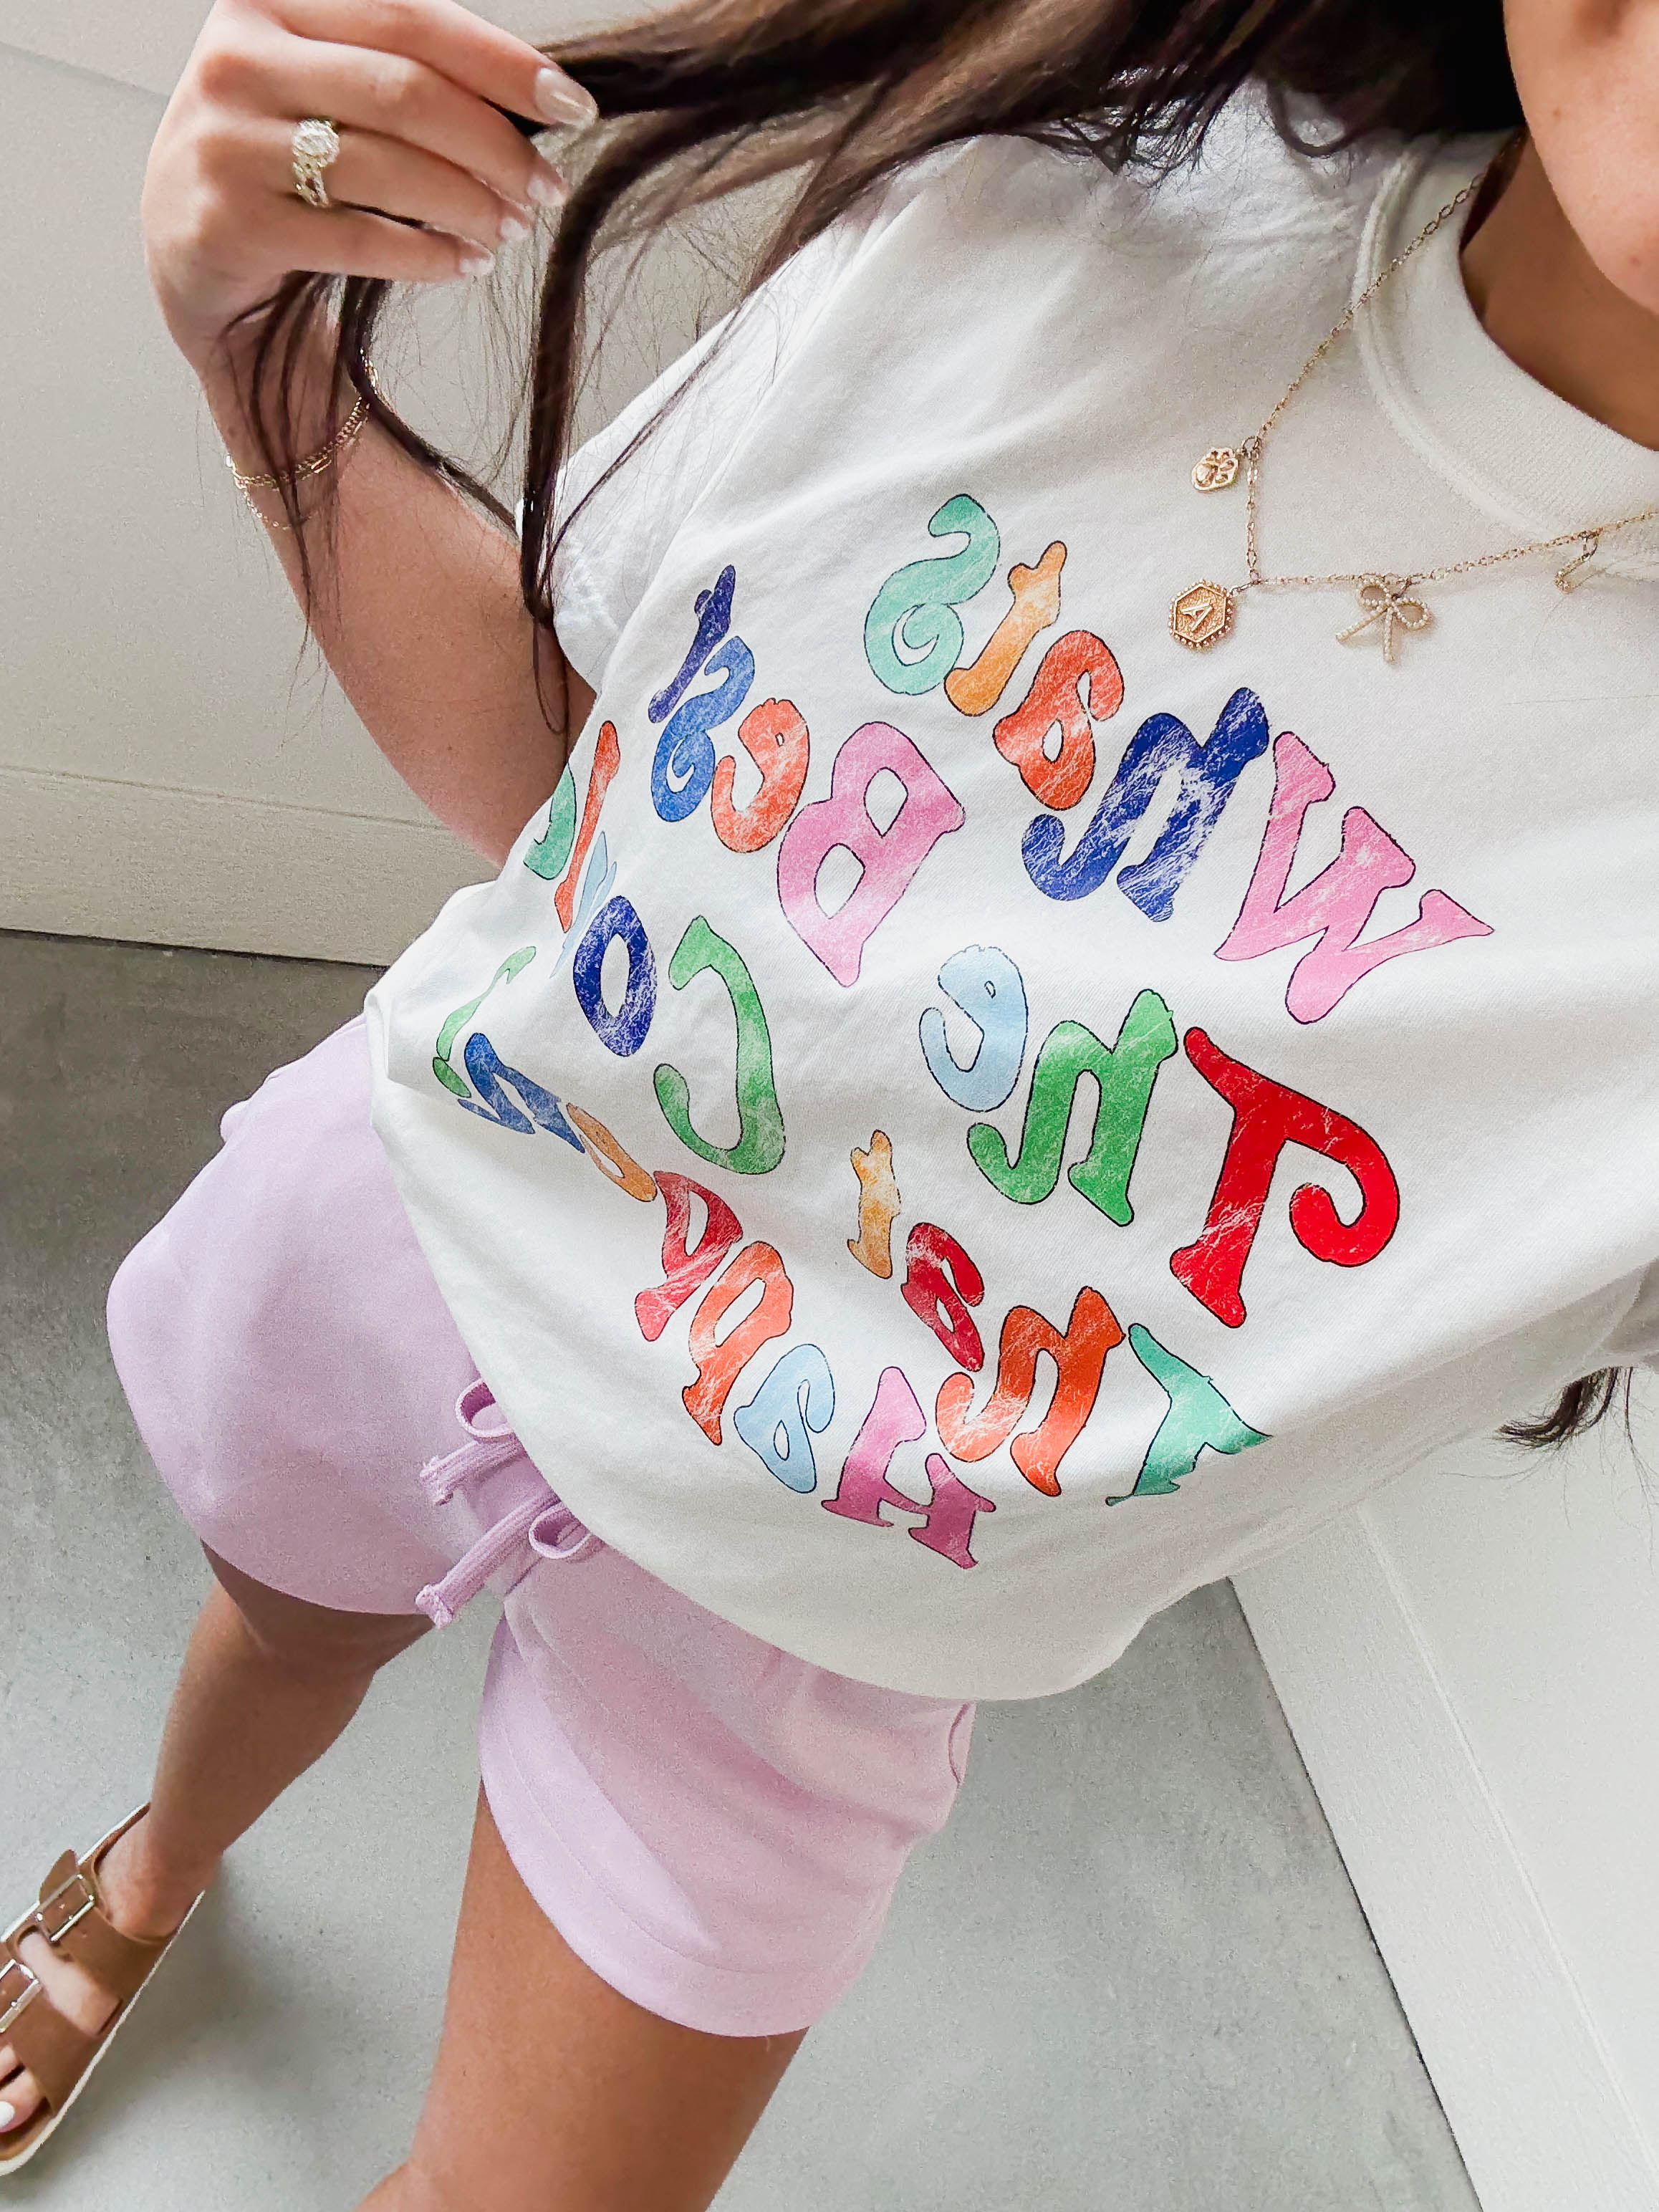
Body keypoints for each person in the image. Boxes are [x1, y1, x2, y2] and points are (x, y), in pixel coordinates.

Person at [6, 0, 1659, 2200]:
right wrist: (252, 343)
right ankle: (144, 1880)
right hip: (460, 1218)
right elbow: (565, 776)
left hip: (809, 1628)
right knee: (280, 1629)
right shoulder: (1066, 180)